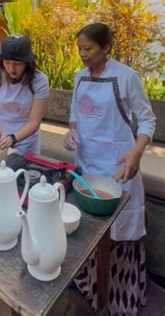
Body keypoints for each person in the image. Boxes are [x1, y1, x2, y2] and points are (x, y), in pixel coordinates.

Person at [64, 23, 156, 315]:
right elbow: (75, 114)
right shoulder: (79, 77)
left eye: (88, 49)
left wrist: (136, 151)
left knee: (119, 233)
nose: (82, 54)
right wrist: (71, 132)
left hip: (119, 166)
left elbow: (147, 120)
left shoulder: (126, 77)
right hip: (88, 164)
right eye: (79, 48)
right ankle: (91, 286)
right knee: (91, 231)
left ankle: (120, 297)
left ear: (106, 48)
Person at [0, 35, 49, 156]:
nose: (11, 68)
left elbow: (34, 122)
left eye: (17, 63)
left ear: (27, 63)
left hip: (27, 140)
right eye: (7, 62)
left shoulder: (39, 80)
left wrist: (13, 138)